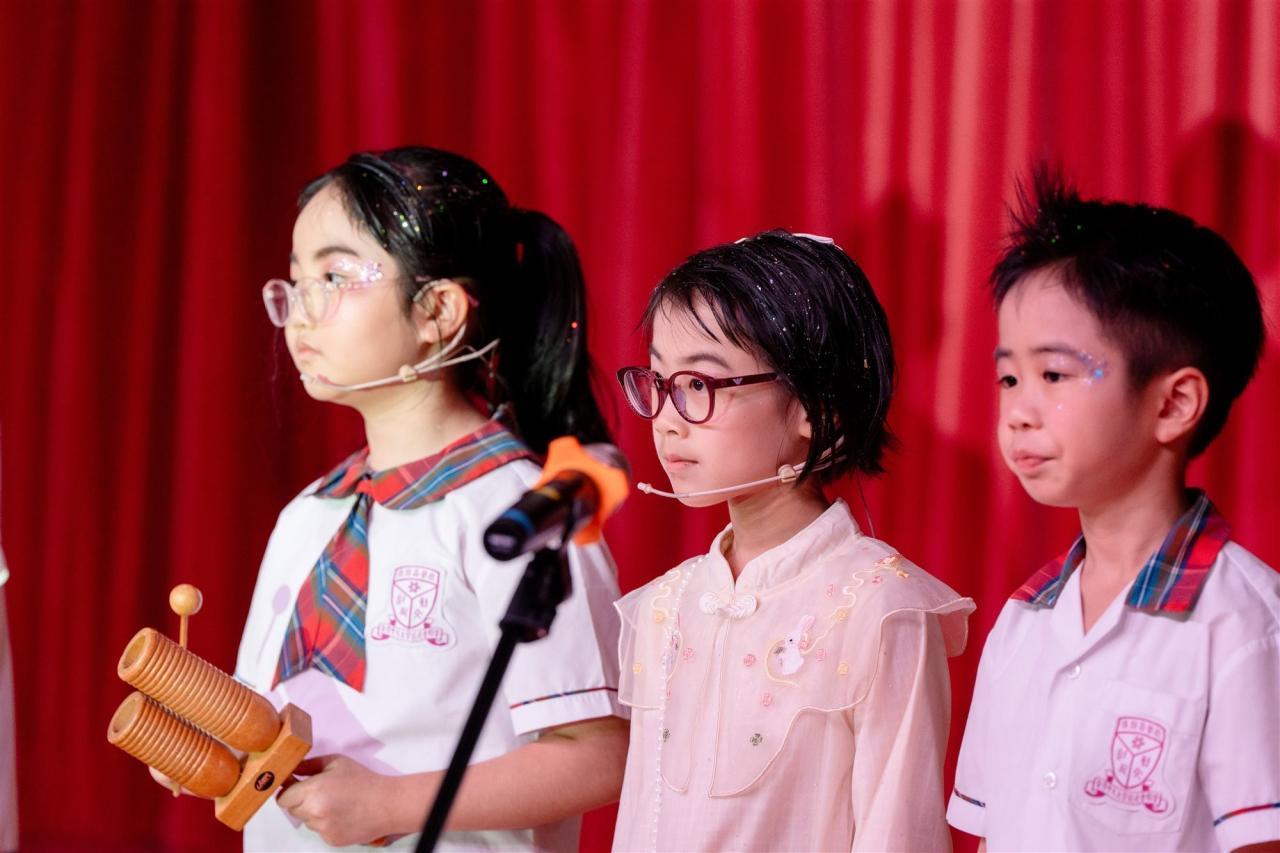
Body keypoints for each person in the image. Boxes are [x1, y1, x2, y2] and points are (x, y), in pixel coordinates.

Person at [232, 147, 628, 850]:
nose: (300, 314)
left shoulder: (523, 512)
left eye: (333, 276)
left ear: (438, 309)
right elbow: (264, 722)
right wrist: (212, 745)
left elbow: (598, 754)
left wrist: (391, 803)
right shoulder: (307, 516)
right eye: (295, 282)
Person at [947, 171, 1280, 852]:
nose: (1018, 411)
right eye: (1009, 376)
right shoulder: (1022, 622)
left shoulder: (1244, 625)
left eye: (1054, 374)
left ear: (1173, 404)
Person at [611, 230, 974, 851]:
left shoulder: (881, 608)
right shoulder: (664, 607)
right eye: (659, 381)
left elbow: (899, 833)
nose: (667, 420)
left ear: (816, 407)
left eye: (698, 385)